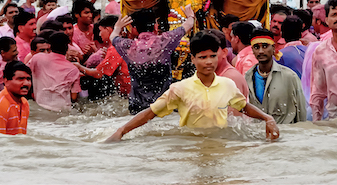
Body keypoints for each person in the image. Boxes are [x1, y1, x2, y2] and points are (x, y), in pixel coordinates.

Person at [106, 31, 279, 142]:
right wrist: (122, 131)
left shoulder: (227, 84)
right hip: (191, 147)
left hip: (221, 146)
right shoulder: (180, 89)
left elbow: (244, 107)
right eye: (203, 57)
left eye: (212, 56)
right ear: (193, 59)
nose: (209, 62)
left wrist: (267, 118)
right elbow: (151, 113)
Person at [112, 7, 195, 114]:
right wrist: (190, 15)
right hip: (163, 106)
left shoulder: (127, 46)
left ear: (134, 29)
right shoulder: (165, 41)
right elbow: (188, 25)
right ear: (155, 26)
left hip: (137, 108)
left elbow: (112, 37)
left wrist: (117, 27)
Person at [244, 29, 306, 124]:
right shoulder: (247, 77)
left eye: (265, 46)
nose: (261, 51)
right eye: (256, 47)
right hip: (258, 135)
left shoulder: (289, 76)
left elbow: (301, 112)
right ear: (252, 50)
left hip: (286, 133)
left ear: (273, 48)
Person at [75, 15, 131, 100]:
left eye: (101, 30)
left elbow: (98, 73)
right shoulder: (125, 43)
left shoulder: (115, 48)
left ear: (108, 30)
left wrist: (79, 66)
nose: (99, 34)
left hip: (129, 93)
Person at [29, 32, 82, 111]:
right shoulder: (73, 69)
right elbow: (74, 97)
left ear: (50, 46)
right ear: (67, 48)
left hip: (40, 108)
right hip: (63, 110)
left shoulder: (37, 58)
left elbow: (25, 73)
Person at [0, 61, 31, 135]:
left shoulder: (24, 103)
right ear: (6, 81)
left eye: (28, 79)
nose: (26, 83)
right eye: (20, 79)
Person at [206, 29, 248, 99]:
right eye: (203, 55)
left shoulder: (230, 78)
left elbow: (233, 109)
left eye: (212, 53)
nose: (208, 60)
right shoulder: (213, 75)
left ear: (224, 52)